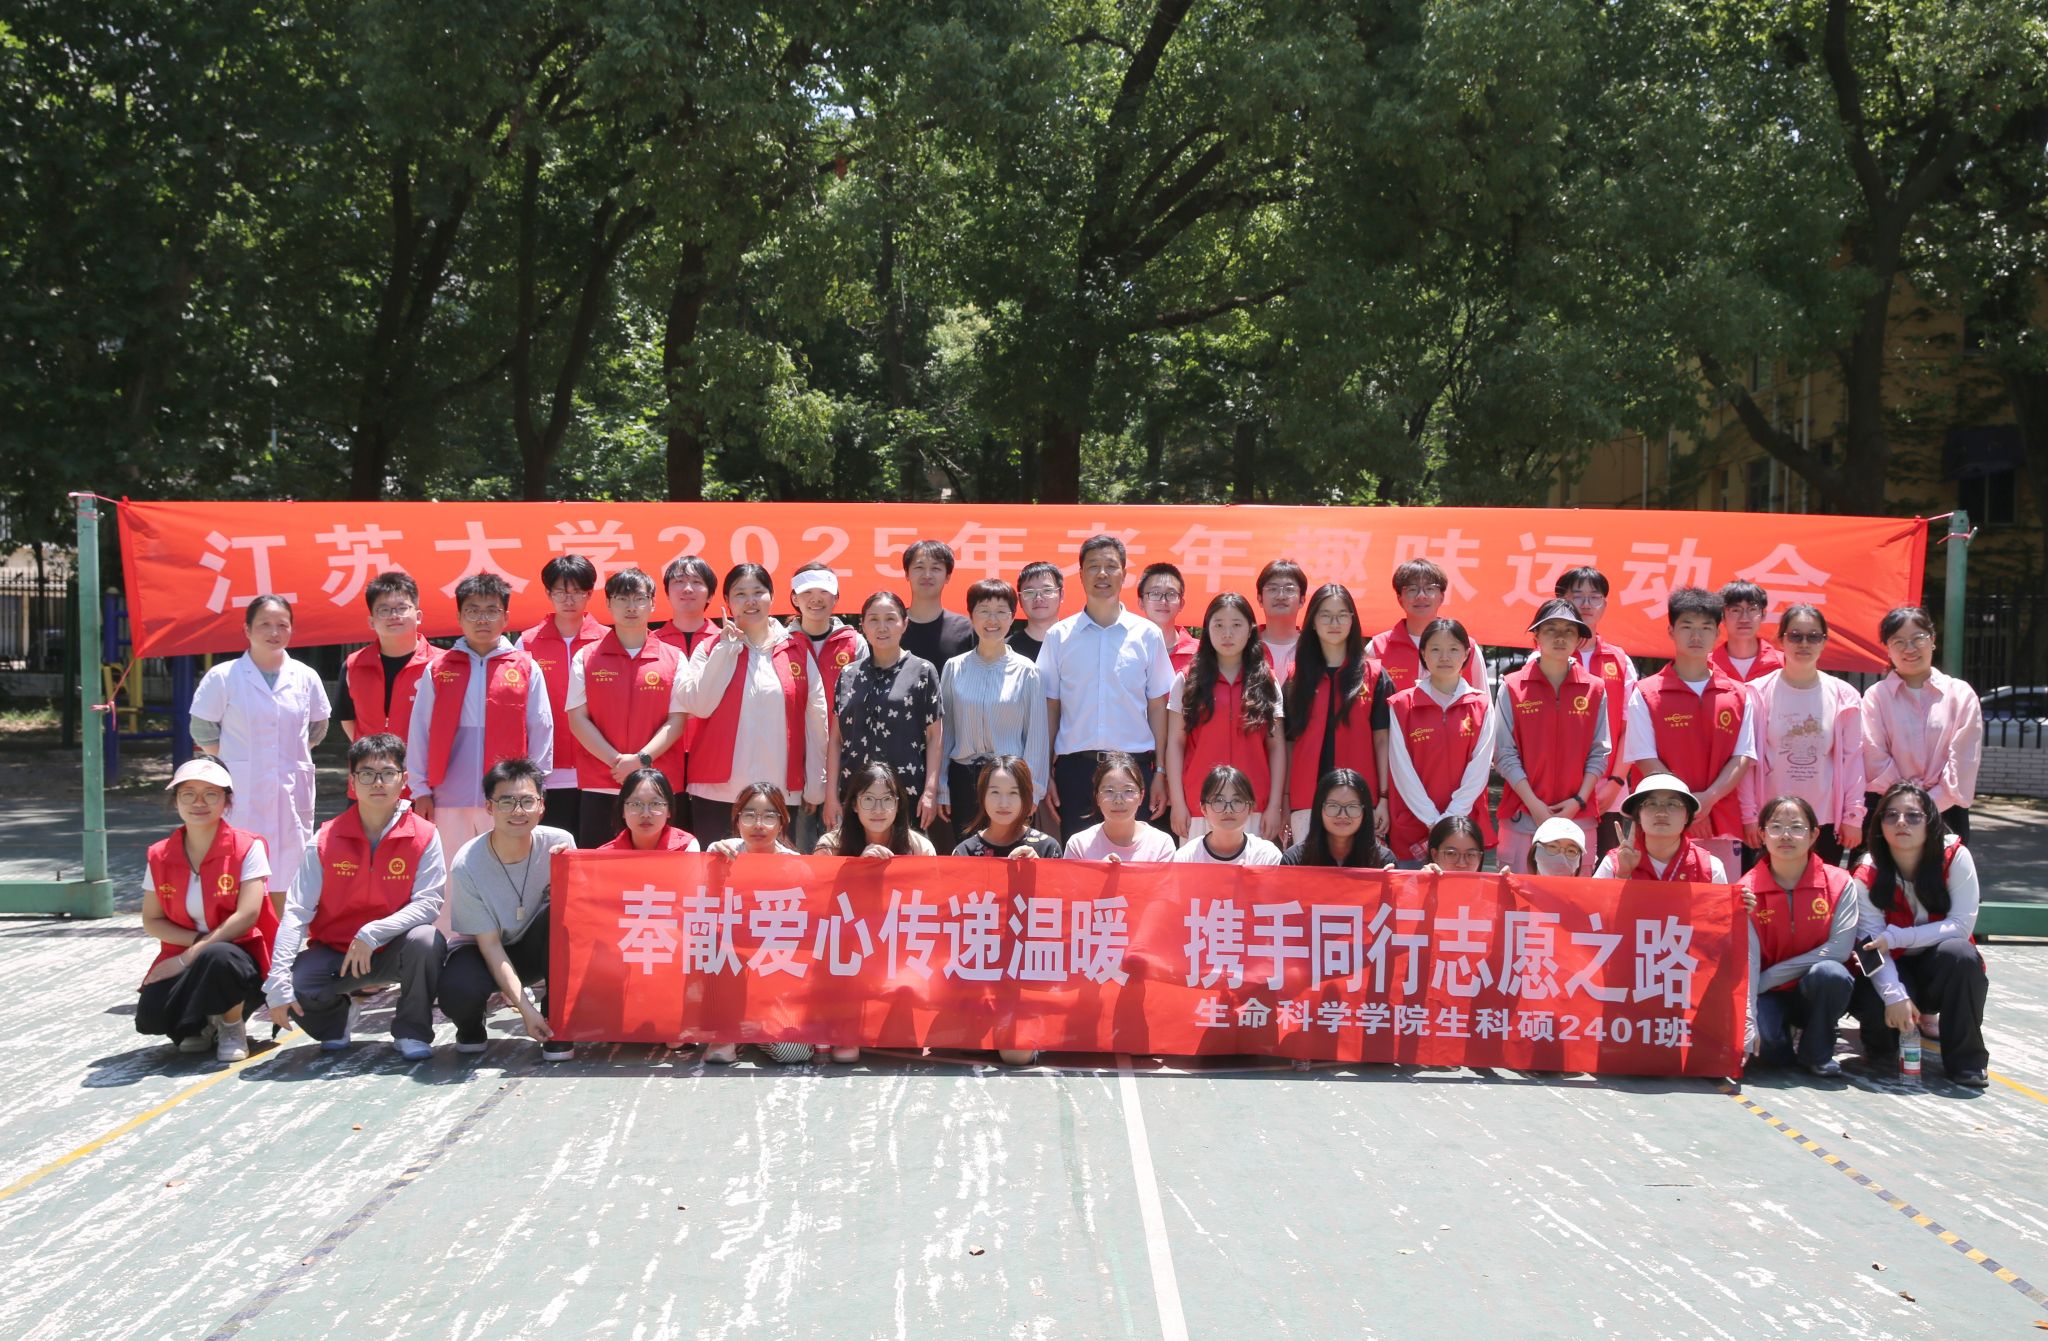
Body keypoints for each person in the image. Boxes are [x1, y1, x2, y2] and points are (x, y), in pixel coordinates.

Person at [267, 734, 447, 1059]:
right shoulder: (325, 839)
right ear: (352, 782)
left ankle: (412, 1030)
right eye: (366, 774)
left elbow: (429, 903)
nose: (377, 782)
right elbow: (296, 911)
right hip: (337, 953)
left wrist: (373, 932)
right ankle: (336, 1020)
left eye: (388, 773)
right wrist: (277, 977)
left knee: (427, 941)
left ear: (404, 779)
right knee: (294, 984)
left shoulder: (424, 834)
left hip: (395, 948)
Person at [190, 594, 330, 908]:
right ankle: (240, 932)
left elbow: (318, 726)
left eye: (282, 624)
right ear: (247, 629)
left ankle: (283, 936)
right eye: (264, 624)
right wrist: (232, 761)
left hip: (290, 789)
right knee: (238, 869)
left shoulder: (305, 676)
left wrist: (289, 754)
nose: (274, 632)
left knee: (289, 874)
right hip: (241, 788)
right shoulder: (224, 676)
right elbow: (202, 728)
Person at [671, 563, 828, 844]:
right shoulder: (709, 647)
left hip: (778, 793)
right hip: (716, 791)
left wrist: (816, 785)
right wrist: (726, 649)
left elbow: (816, 720)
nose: (750, 601)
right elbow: (698, 705)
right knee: (716, 868)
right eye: (740, 594)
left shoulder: (796, 650)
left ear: (772, 596)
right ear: (727, 602)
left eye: (758, 592)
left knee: (774, 871)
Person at [1847, 782, 1989, 1087]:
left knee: (1961, 954)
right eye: (1891, 815)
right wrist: (1895, 996)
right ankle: (1881, 1047)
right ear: (1879, 825)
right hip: (1892, 969)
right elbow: (1870, 948)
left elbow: (1961, 926)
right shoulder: (1866, 873)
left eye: (1913, 816)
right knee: (1882, 1036)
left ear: (1931, 822)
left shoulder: (1955, 856)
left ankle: (1967, 1062)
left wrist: (1897, 937)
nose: (1901, 822)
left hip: (1938, 969)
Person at [138, 758, 276, 1062]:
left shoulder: (248, 847)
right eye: (188, 794)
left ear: (227, 801)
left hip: (238, 956)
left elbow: (247, 916)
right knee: (151, 1016)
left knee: (219, 956)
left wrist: (188, 957)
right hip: (186, 952)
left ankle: (231, 1024)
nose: (199, 803)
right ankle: (201, 1024)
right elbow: (152, 920)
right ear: (175, 800)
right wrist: (191, 950)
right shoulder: (159, 854)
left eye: (211, 794)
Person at [406, 573, 554, 858]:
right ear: (460, 617)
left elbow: (540, 728)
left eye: (491, 611)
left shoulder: (525, 667)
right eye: (473, 611)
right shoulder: (438, 668)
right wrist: (420, 789)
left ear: (505, 617)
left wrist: (537, 787)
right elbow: (420, 729)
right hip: (448, 795)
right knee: (451, 868)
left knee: (506, 864)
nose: (482, 619)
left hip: (508, 794)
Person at [1037, 534, 1174, 839]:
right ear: (1080, 574)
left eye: (1111, 566)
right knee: (1078, 858)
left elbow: (1157, 707)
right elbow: (1051, 707)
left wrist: (1161, 772)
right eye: (1093, 566)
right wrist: (1045, 771)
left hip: (1134, 770)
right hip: (1076, 772)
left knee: (1133, 857)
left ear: (1124, 574)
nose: (1102, 574)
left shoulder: (1147, 634)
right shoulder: (1059, 636)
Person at [439, 758, 575, 1062]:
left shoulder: (560, 844)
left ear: (541, 805)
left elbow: (579, 918)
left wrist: (569, 872)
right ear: (489, 807)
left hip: (534, 950)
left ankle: (556, 1021)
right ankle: (471, 1026)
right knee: (457, 991)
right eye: (506, 802)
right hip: (483, 951)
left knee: (561, 917)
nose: (518, 811)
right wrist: (524, 1009)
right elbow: (489, 946)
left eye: (527, 801)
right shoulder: (467, 863)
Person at [1622, 586, 1754, 877]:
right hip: (1660, 823)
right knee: (1655, 899)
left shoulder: (1738, 694)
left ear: (1717, 633)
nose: (1696, 636)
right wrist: (1688, 806)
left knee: (1717, 899)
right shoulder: (1646, 693)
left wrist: (1707, 800)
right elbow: (1644, 758)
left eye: (1706, 627)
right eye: (1687, 626)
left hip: (1720, 821)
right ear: (1671, 631)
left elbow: (1742, 757)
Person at [1737, 795, 1859, 1078]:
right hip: (1768, 994)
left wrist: (1769, 977)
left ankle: (1817, 1053)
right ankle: (1785, 1041)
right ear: (1762, 835)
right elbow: (1747, 960)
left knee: (1831, 974)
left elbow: (1839, 950)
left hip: (1813, 988)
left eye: (1796, 827)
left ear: (1814, 834)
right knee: (1767, 1050)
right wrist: (1747, 1022)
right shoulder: (1746, 890)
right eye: (1776, 827)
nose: (1786, 835)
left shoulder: (1840, 882)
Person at [566, 567, 688, 845]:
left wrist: (641, 761)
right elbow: (578, 719)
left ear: (653, 604)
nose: (631, 607)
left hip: (658, 787)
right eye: (622, 599)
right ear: (609, 604)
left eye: (639, 599)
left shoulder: (674, 658)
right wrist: (617, 762)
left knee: (660, 864)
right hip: (602, 782)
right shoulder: (586, 657)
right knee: (599, 862)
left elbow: (677, 720)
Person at [1738, 605, 1866, 867]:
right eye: (1795, 636)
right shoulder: (1756, 693)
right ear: (1781, 640)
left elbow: (1853, 760)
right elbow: (1746, 762)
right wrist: (1749, 815)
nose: (1804, 643)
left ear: (1824, 641)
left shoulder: (1844, 695)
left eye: (1813, 636)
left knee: (1820, 888)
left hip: (1824, 819)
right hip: (1770, 819)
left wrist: (1853, 815)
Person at [1494, 599, 1609, 876]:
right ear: (1536, 636)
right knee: (1517, 897)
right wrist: (1535, 806)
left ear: (1579, 640)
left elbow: (1600, 752)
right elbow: (1504, 754)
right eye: (1551, 629)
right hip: (1523, 816)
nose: (1560, 637)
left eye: (1569, 631)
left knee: (1575, 899)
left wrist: (1578, 801)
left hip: (1578, 818)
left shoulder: (1595, 689)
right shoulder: (1512, 687)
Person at [703, 784, 815, 1066]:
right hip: (730, 970)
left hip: (775, 971)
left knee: (794, 1053)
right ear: (737, 819)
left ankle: (751, 1028)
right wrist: (713, 868)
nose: (758, 824)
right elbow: (702, 913)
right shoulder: (720, 853)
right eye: (749, 814)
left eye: (769, 816)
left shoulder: (797, 867)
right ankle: (727, 1031)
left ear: (782, 822)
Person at [1165, 592, 1286, 841]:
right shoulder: (1187, 680)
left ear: (1250, 630)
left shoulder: (1267, 681)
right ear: (1207, 629)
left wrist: (1274, 805)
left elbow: (1276, 747)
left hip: (1254, 807)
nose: (1227, 634)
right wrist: (1177, 802)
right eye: (1218, 625)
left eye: (1236, 625)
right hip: (1200, 806)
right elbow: (1175, 744)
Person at [1283, 584, 1393, 847]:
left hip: (1359, 800)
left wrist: (1384, 798)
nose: (1335, 623)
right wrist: (1284, 800)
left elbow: (1383, 741)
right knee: (1308, 871)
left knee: (1358, 870)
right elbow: (1288, 744)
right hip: (1305, 800)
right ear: (1312, 622)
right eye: (1326, 615)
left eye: (1342, 615)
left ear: (1353, 620)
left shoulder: (1375, 675)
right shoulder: (1296, 677)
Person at [1862, 606, 1983, 842]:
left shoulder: (1960, 694)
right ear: (1887, 648)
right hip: (1890, 812)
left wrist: (1927, 804)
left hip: (1947, 812)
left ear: (1932, 639)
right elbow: (1874, 758)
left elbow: (1964, 761)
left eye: (1918, 638)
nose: (1909, 648)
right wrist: (1905, 805)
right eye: (1898, 641)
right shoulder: (1876, 697)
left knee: (1944, 867)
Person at [826, 590, 943, 833]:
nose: (882, 627)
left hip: (906, 793)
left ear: (904, 624)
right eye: (873, 620)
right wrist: (831, 796)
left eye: (890, 619)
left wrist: (931, 792)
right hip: (856, 795)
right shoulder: (848, 674)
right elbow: (836, 739)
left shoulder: (923, 671)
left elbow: (935, 737)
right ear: (863, 626)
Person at [938, 579, 1050, 829]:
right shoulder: (954, 668)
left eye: (1001, 611)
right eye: (984, 611)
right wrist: (942, 786)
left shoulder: (1027, 672)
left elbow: (1036, 737)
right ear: (971, 616)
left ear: (1012, 617)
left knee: (1009, 849)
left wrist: (1032, 790)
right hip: (963, 779)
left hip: (1010, 782)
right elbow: (946, 733)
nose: (992, 619)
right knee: (968, 849)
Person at [1386, 618, 1496, 865]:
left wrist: (1451, 819)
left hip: (1464, 829)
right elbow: (1401, 770)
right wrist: (1432, 820)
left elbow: (1479, 770)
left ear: (1466, 654)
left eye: (1453, 649)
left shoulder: (1481, 705)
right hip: (1413, 826)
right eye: (1435, 649)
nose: (1444, 657)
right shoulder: (1401, 705)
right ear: (1423, 653)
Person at [516, 554, 604, 838]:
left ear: (590, 593)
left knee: (595, 847)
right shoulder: (526, 643)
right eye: (560, 592)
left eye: (577, 591)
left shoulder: (607, 640)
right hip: (547, 772)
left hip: (600, 768)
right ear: (547, 593)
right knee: (553, 847)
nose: (569, 600)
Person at [1556, 566, 1638, 859]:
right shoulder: (1547, 657)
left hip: (1608, 794)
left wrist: (1616, 783)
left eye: (1594, 597)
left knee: (1606, 868)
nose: (1587, 604)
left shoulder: (1620, 660)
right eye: (1578, 596)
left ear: (1605, 604)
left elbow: (1631, 728)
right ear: (1563, 601)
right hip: (1557, 791)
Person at [651, 553, 721, 831]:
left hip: (714, 759)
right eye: (679, 581)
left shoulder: (726, 642)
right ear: (667, 591)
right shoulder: (651, 642)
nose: (687, 588)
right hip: (663, 758)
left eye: (696, 582)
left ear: (710, 594)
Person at [337, 571, 434, 751]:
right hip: (370, 767)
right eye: (384, 610)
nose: (394, 615)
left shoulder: (441, 665)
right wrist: (372, 755)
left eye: (402, 608)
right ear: (371, 622)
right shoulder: (353, 665)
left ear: (419, 616)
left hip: (425, 766)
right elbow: (347, 719)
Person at [1367, 559, 1485, 694]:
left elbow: (1483, 700)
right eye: (1412, 589)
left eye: (1429, 589)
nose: (1421, 596)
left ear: (1441, 597)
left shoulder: (1466, 647)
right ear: (1400, 599)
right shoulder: (1377, 648)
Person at [1593, 775, 1729, 883]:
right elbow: (1595, 907)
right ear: (1638, 815)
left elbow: (1720, 910)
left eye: (1673, 804)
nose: (1662, 813)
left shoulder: (1709, 867)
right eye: (1651, 804)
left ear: (1687, 816)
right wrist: (1622, 875)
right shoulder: (1614, 863)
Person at [1061, 752, 1179, 862]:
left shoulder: (1161, 844)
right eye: (1109, 791)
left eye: (1128, 791)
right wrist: (1099, 872)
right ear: (1097, 797)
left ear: (1141, 796)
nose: (1118, 800)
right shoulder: (1078, 845)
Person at [786, 562, 868, 712]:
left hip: (841, 728)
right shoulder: (781, 643)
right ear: (795, 598)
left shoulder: (855, 643)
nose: (816, 599)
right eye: (807, 592)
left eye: (824, 591)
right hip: (794, 728)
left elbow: (865, 697)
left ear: (835, 597)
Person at [952, 755, 1063, 858]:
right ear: (982, 796)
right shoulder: (964, 852)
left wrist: (1039, 867)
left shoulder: (1048, 848)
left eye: (1013, 793)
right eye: (995, 792)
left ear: (1026, 797)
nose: (1003, 804)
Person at [1281, 769, 1396, 868]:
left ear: (1365, 811)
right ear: (1319, 809)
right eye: (1333, 806)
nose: (1342, 815)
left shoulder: (1383, 861)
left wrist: (1389, 882)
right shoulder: (1294, 860)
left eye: (1352, 807)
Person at [1172, 765, 1284, 865]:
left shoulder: (1267, 856)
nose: (1228, 810)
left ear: (1250, 808)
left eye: (1237, 801)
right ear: (1204, 809)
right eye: (1219, 801)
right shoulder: (1186, 858)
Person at [899, 539, 976, 667]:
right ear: (907, 574)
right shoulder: (892, 626)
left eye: (935, 568)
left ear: (947, 576)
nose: (927, 575)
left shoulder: (966, 629)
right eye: (919, 567)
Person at [593, 768, 701, 853]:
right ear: (623, 811)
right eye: (636, 804)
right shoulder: (604, 857)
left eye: (655, 804)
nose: (645, 814)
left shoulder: (686, 848)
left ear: (669, 810)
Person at [706, 782, 805, 858]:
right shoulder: (722, 852)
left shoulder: (794, 864)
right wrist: (714, 861)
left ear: (781, 825)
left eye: (768, 816)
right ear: (737, 822)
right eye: (749, 816)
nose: (758, 825)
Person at [1711, 580, 1784, 683]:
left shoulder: (1784, 664)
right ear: (1722, 616)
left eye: (1752, 609)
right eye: (1735, 610)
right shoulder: (1706, 666)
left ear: (1763, 614)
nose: (1744, 619)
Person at [1137, 562, 1200, 672]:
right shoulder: (1127, 649)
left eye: (1171, 594)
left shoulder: (1201, 653)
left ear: (1181, 604)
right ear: (1141, 602)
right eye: (1155, 593)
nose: (1163, 601)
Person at [1255, 558, 1308, 685]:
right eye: (1272, 589)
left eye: (1289, 589)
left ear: (1302, 600)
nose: (1281, 596)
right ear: (1260, 599)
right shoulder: (1247, 645)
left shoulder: (1313, 646)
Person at [1009, 561, 1065, 662]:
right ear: (1020, 599)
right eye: (1030, 592)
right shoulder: (1006, 650)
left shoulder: (1078, 642)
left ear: (1061, 595)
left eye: (1047, 590)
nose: (1038, 598)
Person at [1418, 815, 1486, 874]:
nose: (1461, 864)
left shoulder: (1489, 884)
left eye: (1470, 854)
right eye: (1451, 853)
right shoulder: (1419, 883)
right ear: (1435, 855)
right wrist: (1421, 882)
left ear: (1480, 857)